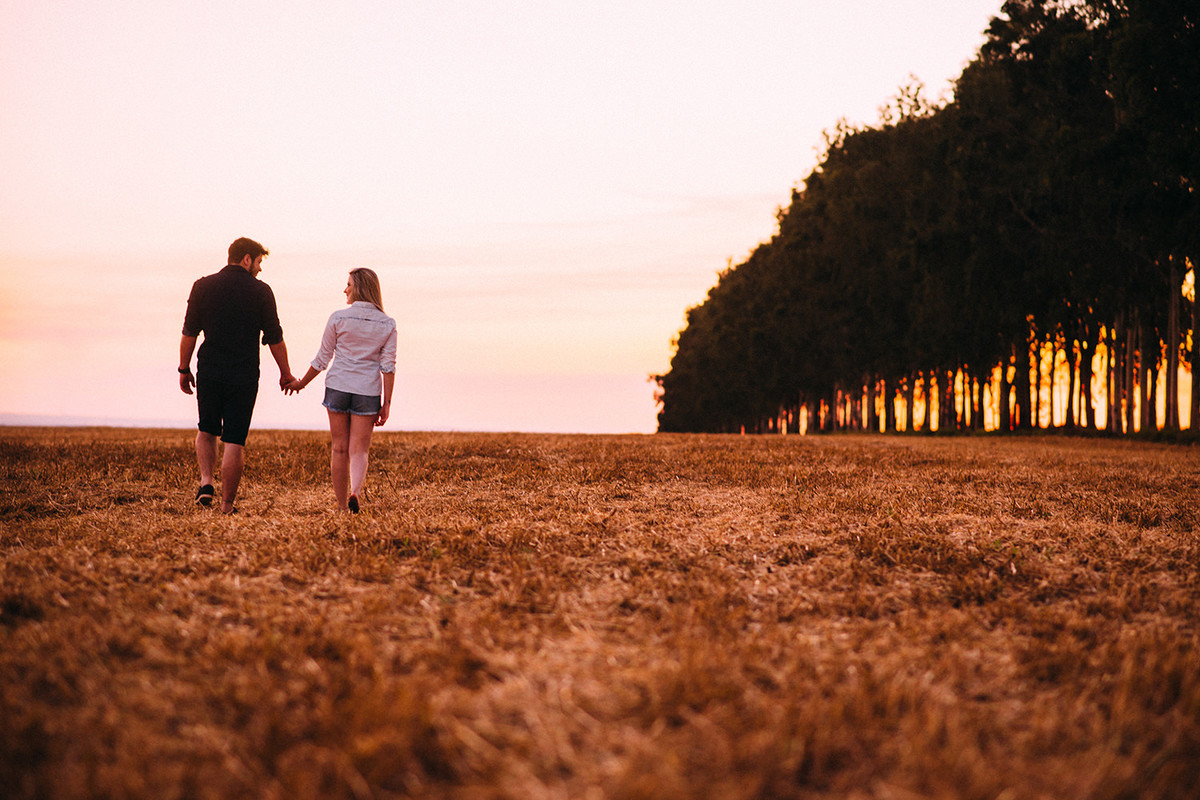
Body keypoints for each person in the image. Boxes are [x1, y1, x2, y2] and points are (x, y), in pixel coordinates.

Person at [179, 237, 295, 514]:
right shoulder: (261, 292)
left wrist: (184, 369)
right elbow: (275, 338)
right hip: (243, 375)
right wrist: (286, 373)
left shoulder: (202, 286)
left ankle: (206, 483)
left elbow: (189, 333)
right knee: (234, 439)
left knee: (206, 429)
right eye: (258, 262)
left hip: (209, 370)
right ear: (246, 259)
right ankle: (227, 505)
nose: (259, 269)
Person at [286, 268, 396, 513]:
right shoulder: (388, 324)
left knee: (339, 448)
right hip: (367, 390)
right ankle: (355, 491)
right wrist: (386, 403)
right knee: (360, 449)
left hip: (338, 386)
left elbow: (322, 359)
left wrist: (301, 383)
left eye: (348, 284)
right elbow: (388, 366)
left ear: (358, 288)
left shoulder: (338, 318)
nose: (344, 289)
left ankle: (340, 506)